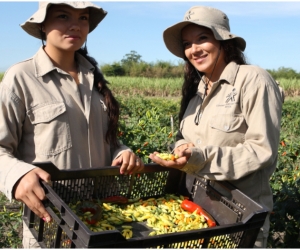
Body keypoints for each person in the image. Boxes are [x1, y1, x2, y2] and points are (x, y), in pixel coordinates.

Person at [0, 2, 144, 248]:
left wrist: (123, 152)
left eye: (83, 18)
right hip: (51, 224)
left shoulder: (94, 79)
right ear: (43, 25)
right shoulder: (21, 77)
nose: (76, 25)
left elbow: (109, 142)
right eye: (63, 16)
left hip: (103, 220)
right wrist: (17, 176)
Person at [149, 5, 283, 248]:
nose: (194, 49)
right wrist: (182, 149)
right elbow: (186, 137)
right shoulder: (196, 92)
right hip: (198, 210)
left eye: (203, 38)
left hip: (240, 216)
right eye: (187, 44)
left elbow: (261, 151)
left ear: (224, 40)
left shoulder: (253, 79)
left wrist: (200, 158)